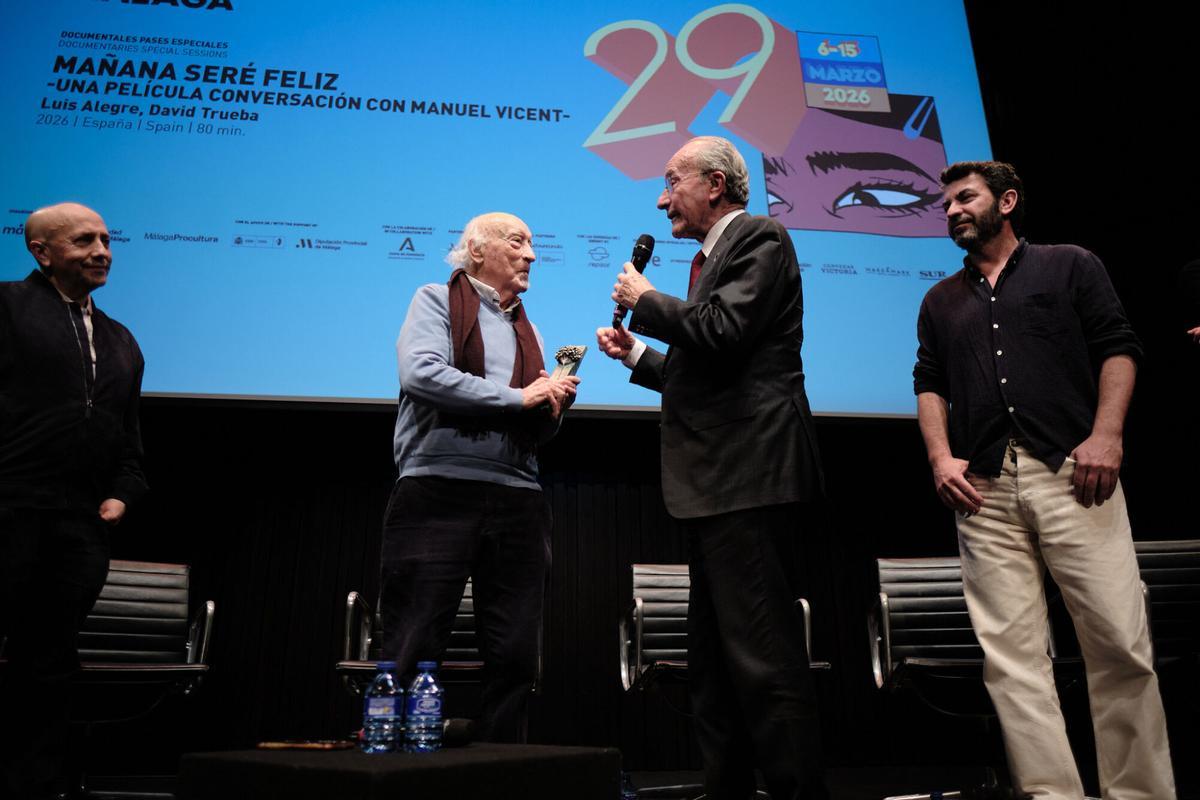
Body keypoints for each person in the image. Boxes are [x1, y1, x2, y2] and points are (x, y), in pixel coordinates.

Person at [914, 161, 1175, 799]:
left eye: (965, 198)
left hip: (1074, 474)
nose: (952, 210)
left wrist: (1108, 434)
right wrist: (940, 458)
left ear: (1006, 202)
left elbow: (1118, 346)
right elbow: (929, 382)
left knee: (1118, 641)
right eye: (946, 203)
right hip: (984, 488)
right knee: (1012, 662)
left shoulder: (1070, 264)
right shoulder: (940, 299)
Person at [596, 136, 828, 800]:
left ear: (716, 186)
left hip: (750, 480)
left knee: (764, 665)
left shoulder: (760, 238)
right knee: (716, 671)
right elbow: (709, 370)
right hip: (715, 488)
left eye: (672, 182)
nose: (662, 198)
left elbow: (722, 330)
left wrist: (645, 297)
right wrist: (638, 355)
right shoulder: (708, 260)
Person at [379, 211, 578, 743]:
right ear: (476, 251)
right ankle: (395, 767)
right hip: (438, 487)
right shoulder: (435, 299)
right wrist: (520, 397)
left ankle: (501, 770)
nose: (531, 255)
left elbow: (532, 430)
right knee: (413, 641)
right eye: (517, 242)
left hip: (519, 495)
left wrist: (549, 409)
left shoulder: (527, 327)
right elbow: (421, 373)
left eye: (533, 244)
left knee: (515, 653)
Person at [0, 202, 148, 799]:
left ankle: (35, 785)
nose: (102, 250)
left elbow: (127, 431)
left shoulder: (119, 339)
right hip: (9, 507)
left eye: (107, 239)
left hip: (78, 524)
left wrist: (124, 491)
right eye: (84, 240)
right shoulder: (7, 308)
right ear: (42, 252)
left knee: (51, 660)